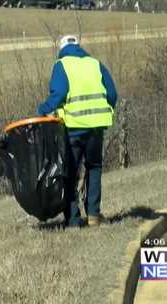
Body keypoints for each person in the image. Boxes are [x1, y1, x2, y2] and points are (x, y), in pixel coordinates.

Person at [37, 35, 118, 228]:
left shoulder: (61, 65)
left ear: (62, 48)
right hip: (96, 127)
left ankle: (73, 219)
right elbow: (112, 93)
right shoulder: (95, 64)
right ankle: (93, 215)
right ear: (79, 47)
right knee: (94, 167)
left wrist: (42, 110)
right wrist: (108, 109)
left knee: (70, 173)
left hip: (73, 128)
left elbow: (59, 92)